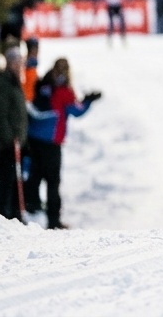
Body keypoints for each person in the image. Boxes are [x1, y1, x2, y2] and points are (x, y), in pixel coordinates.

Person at [25, 57, 101, 229]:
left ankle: (29, 208)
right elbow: (76, 110)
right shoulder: (64, 91)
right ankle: (53, 220)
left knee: (34, 175)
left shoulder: (45, 85)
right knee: (53, 181)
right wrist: (88, 101)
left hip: (34, 138)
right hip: (52, 142)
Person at [0, 47, 28, 220]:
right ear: (11, 63)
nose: (20, 65)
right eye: (18, 62)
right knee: (6, 180)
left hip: (15, 142)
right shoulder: (4, 83)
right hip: (5, 143)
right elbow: (0, 114)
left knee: (13, 180)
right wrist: (10, 138)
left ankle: (14, 215)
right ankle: (2, 215)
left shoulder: (14, 81)